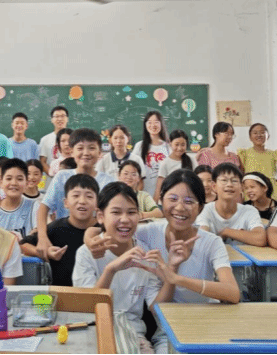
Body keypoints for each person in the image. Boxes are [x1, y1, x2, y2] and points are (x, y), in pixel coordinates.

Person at [84, 169, 240, 305]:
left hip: (203, 317)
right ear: (161, 201)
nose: (180, 207)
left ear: (200, 208)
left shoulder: (211, 242)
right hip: (163, 320)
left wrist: (176, 279)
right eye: (173, 199)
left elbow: (233, 293)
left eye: (189, 201)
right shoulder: (149, 232)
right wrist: (89, 237)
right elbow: (116, 229)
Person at [73, 182, 166, 354]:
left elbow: (156, 308)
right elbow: (87, 308)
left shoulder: (146, 253)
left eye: (131, 212)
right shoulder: (86, 253)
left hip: (134, 335)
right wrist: (110, 270)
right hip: (94, 331)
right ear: (100, 216)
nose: (125, 219)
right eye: (116, 212)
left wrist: (168, 277)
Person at [36, 128, 116, 259]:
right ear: (72, 151)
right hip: (64, 242)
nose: (86, 153)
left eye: (91, 148)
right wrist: (42, 237)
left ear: (100, 152)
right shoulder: (61, 176)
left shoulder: (108, 182)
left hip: (97, 242)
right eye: (80, 148)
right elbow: (43, 208)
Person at [20, 174, 99, 287]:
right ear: (66, 202)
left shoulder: (103, 230)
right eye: (76, 195)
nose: (82, 201)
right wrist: (45, 253)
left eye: (89, 196)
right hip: (60, 294)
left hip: (95, 293)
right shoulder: (56, 228)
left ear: (97, 203)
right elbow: (23, 245)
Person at [195, 163, 266, 246]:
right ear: (214, 186)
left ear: (241, 187)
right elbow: (201, 239)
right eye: (224, 180)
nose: (229, 184)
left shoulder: (249, 211)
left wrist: (226, 231)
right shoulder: (204, 210)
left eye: (234, 181)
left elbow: (260, 239)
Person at [237, 123, 277, 201]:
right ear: (250, 137)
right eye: (255, 133)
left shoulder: (275, 154)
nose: (259, 135)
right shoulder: (244, 154)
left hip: (270, 190)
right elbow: (241, 174)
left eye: (262, 132)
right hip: (251, 191)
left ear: (268, 136)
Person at [0, 159, 36, 240]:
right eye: (9, 179)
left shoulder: (34, 206)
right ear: (1, 182)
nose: (14, 183)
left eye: (19, 179)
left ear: (27, 183)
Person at [132, 111, 170, 197]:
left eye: (156, 122)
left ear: (161, 124)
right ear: (145, 125)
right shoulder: (139, 146)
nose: (153, 125)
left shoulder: (168, 147)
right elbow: (132, 167)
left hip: (163, 195)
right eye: (149, 122)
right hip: (143, 194)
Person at [155, 130, 195, 201]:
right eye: (176, 144)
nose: (179, 148)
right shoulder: (165, 163)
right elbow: (159, 188)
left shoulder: (192, 160)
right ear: (170, 144)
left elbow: (197, 182)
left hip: (187, 199)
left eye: (183, 145)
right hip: (171, 200)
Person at [39, 106, 69, 175]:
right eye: (56, 116)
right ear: (52, 120)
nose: (60, 119)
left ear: (67, 119)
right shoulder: (45, 139)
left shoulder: (74, 137)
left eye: (62, 116)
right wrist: (53, 175)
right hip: (52, 178)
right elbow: (42, 161)